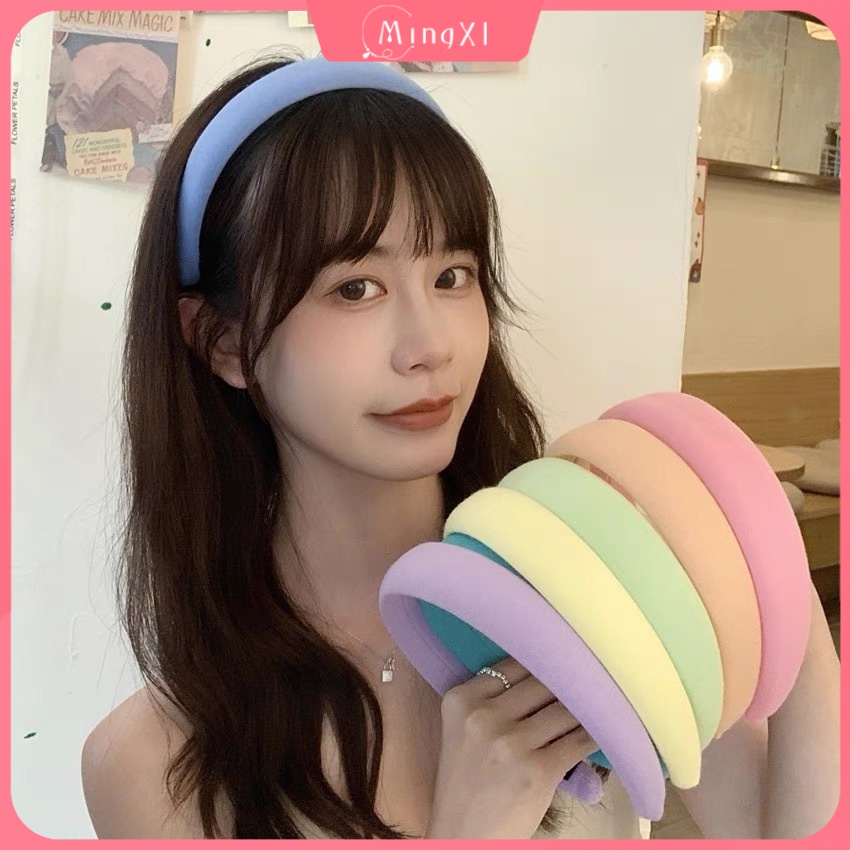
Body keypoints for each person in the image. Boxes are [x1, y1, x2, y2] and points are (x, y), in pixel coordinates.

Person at [80, 53, 840, 840]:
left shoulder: (597, 584)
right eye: (355, 288)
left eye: (452, 276)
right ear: (223, 342)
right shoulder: (151, 767)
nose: (431, 345)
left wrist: (785, 594)